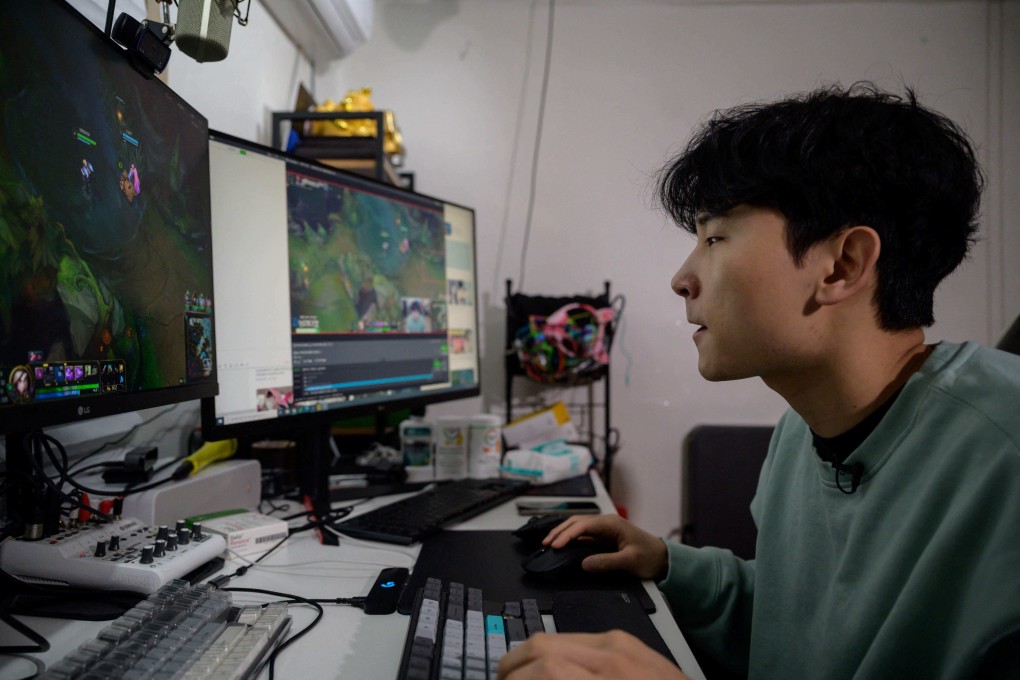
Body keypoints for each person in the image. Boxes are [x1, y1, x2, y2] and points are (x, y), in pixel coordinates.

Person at [498, 82, 1020, 679]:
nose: (681, 278)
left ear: (842, 265)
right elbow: (795, 628)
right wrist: (666, 562)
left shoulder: (1006, 457)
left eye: (716, 237)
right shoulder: (802, 432)